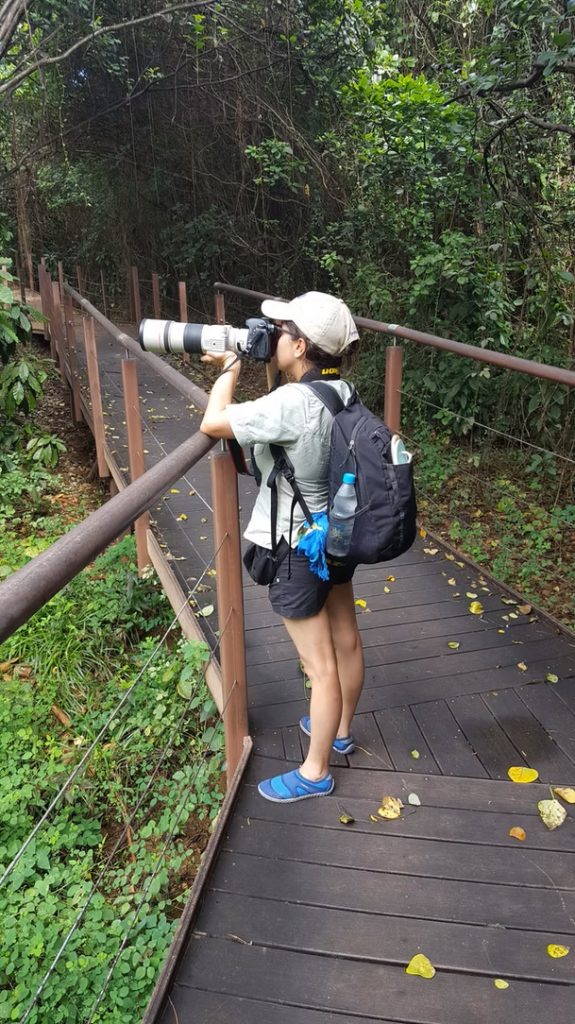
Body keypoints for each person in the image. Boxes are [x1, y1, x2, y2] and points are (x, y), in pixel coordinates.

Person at [200, 291, 365, 802]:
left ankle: (315, 772)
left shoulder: (291, 403)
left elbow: (213, 422)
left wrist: (229, 367)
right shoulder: (342, 390)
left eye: (280, 329)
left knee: (320, 669)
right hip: (336, 533)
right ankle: (339, 732)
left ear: (300, 344)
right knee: (345, 641)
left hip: (296, 544)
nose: (270, 335)